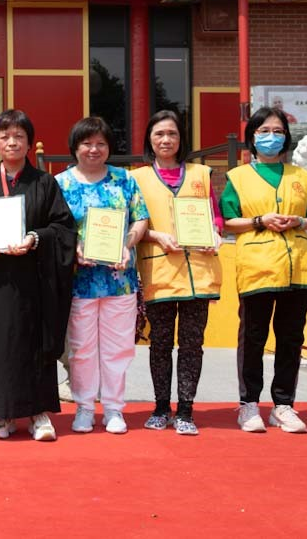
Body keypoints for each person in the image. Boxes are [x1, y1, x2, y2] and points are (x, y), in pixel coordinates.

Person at [0, 109, 76, 441]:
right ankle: (0, 416)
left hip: (33, 280)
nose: (12, 142)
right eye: (5, 136)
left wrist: (35, 238)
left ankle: (38, 414)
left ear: (28, 143)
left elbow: (63, 228)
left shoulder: (44, 183)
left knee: (32, 342)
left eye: (19, 137)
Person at [221, 106, 307, 434]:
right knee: (253, 336)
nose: (271, 137)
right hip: (257, 268)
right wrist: (259, 221)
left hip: (298, 268)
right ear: (252, 137)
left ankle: (283, 404)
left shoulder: (301, 176)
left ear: (286, 137)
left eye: (277, 131)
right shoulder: (238, 177)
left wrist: (299, 221)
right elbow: (228, 222)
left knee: (291, 338)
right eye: (264, 131)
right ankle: (248, 403)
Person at [131, 111, 223, 436]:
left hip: (199, 269)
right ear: (150, 141)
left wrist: (216, 234)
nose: (166, 140)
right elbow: (132, 225)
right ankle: (160, 407)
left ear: (181, 139)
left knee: (192, 344)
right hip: (160, 270)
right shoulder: (137, 178)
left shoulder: (201, 174)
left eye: (172, 133)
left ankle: (185, 410)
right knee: (160, 343)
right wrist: (155, 236)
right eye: (159, 134)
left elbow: (215, 217)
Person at [55, 116, 148, 435]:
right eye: (86, 143)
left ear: (109, 147)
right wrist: (73, 247)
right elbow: (55, 229)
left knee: (118, 346)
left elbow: (140, 219)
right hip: (79, 281)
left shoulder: (125, 180)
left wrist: (128, 242)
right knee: (81, 347)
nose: (93, 149)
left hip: (119, 279)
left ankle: (113, 408)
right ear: (74, 147)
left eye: (101, 144)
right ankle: (83, 407)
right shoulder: (61, 183)